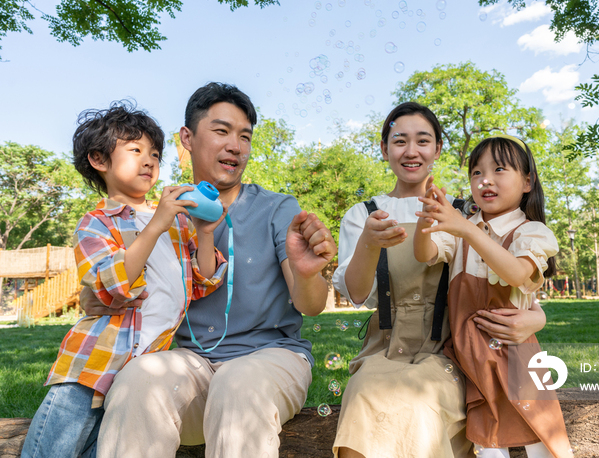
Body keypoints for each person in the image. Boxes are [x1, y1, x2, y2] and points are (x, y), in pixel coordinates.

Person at [82, 83, 337, 458]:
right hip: (190, 363)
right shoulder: (160, 215)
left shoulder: (277, 208)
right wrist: (95, 296)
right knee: (138, 380)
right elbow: (115, 284)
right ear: (187, 137)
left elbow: (310, 305)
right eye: (221, 131)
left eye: (245, 136)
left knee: (237, 383)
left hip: (271, 357)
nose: (235, 145)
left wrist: (309, 273)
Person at [332, 102, 549, 458]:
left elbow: (507, 280)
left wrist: (537, 316)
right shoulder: (364, 215)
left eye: (423, 140)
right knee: (364, 398)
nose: (412, 151)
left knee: (421, 404)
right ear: (384, 148)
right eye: (400, 141)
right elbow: (357, 294)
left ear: (438, 148)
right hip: (383, 350)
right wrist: (369, 243)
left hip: (452, 352)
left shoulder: (469, 213)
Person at [21, 102, 228, 458]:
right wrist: (157, 224)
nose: (149, 160)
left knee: (101, 451)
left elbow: (205, 281)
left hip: (141, 369)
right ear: (99, 160)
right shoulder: (96, 224)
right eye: (135, 151)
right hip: (93, 364)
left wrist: (205, 233)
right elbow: (114, 284)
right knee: (51, 451)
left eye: (155, 153)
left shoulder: (179, 223)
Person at [414, 135, 571, 457]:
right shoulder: (462, 228)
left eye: (499, 169)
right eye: (476, 172)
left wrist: (467, 230)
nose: (485, 180)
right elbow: (424, 253)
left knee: (540, 431)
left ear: (527, 181)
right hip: (469, 354)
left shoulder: (531, 231)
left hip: (514, 352)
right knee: (486, 437)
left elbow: (516, 273)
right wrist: (426, 220)